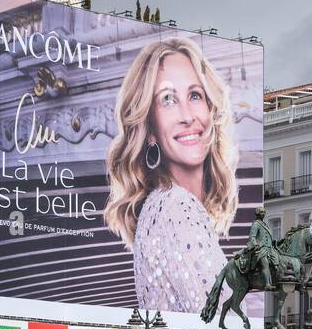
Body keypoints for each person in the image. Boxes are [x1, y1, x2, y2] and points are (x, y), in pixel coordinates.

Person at [104, 37, 239, 314]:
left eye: (194, 95)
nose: (187, 115)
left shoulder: (160, 206)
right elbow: (226, 324)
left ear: (211, 109)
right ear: (149, 126)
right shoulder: (176, 207)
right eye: (168, 99)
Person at [235, 206, 281, 291]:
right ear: (257, 213)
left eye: (264, 212)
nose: (263, 214)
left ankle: (277, 281)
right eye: (261, 212)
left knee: (277, 263)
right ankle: (267, 284)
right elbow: (252, 237)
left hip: (270, 249)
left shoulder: (265, 224)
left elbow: (268, 237)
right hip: (261, 248)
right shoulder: (256, 224)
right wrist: (255, 244)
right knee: (265, 264)